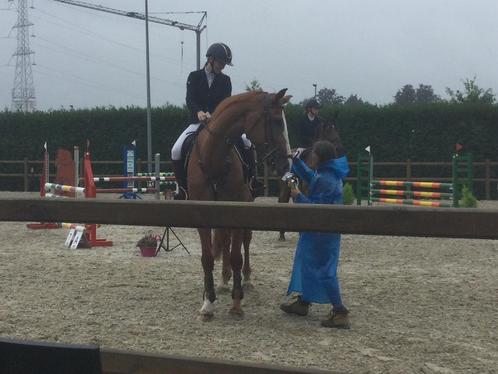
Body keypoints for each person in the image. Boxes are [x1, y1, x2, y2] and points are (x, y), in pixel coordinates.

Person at [171, 42, 260, 200]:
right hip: (197, 122)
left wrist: (215, 115)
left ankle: (252, 181)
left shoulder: (225, 80)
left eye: (224, 64)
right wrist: (198, 112)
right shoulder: (194, 76)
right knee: (176, 149)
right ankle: (183, 190)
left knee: (246, 142)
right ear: (210, 59)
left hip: (219, 123)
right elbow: (190, 99)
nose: (222, 67)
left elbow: (225, 103)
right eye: (220, 62)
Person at [280, 140, 351, 329]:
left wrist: (295, 193)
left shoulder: (326, 179)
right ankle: (303, 302)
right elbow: (312, 177)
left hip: (321, 231)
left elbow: (313, 208)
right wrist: (296, 162)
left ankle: (340, 311)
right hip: (321, 230)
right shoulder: (327, 172)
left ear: (318, 157)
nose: (310, 156)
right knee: (306, 263)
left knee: (324, 270)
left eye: (312, 154)